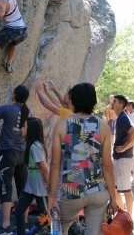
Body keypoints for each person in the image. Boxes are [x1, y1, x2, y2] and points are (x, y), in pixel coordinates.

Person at [48, 83, 118, 235]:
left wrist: (51, 197)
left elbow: (54, 164)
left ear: (73, 100)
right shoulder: (103, 126)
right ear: (93, 101)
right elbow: (107, 165)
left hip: (71, 193)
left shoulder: (61, 125)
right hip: (98, 193)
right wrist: (113, 198)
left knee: (59, 230)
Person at [0, 85, 30, 234]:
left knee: (6, 186)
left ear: (15, 95)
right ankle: (25, 223)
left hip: (8, 153)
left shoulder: (8, 109)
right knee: (23, 188)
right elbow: (26, 133)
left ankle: (6, 226)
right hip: (22, 154)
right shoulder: (28, 112)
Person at [15, 117, 49, 235]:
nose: (22, 128)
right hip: (30, 185)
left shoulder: (36, 147)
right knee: (19, 211)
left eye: (24, 127)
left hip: (40, 187)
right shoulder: (31, 145)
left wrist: (50, 188)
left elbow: (44, 169)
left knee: (46, 215)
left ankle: (35, 230)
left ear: (31, 130)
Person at [112, 95, 134, 216]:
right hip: (119, 158)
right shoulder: (120, 117)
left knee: (126, 190)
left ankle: (129, 218)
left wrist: (124, 147)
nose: (112, 103)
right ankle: (122, 215)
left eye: (114, 101)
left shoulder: (123, 117)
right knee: (116, 188)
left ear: (120, 104)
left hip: (123, 159)